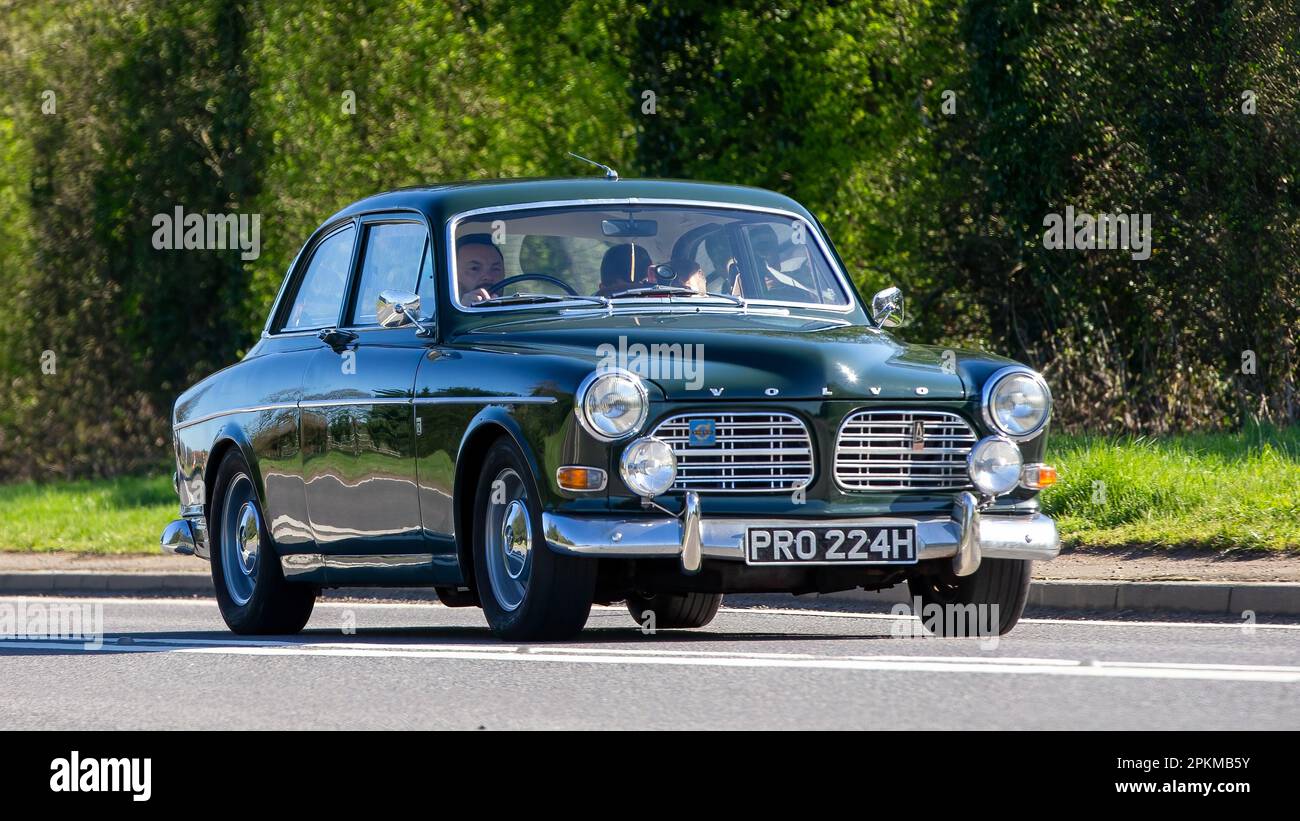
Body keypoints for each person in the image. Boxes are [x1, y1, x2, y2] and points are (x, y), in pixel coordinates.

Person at [457, 233, 505, 304]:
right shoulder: (438, 312)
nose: (488, 277)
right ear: (454, 276)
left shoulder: (523, 309)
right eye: (474, 268)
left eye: (495, 269)